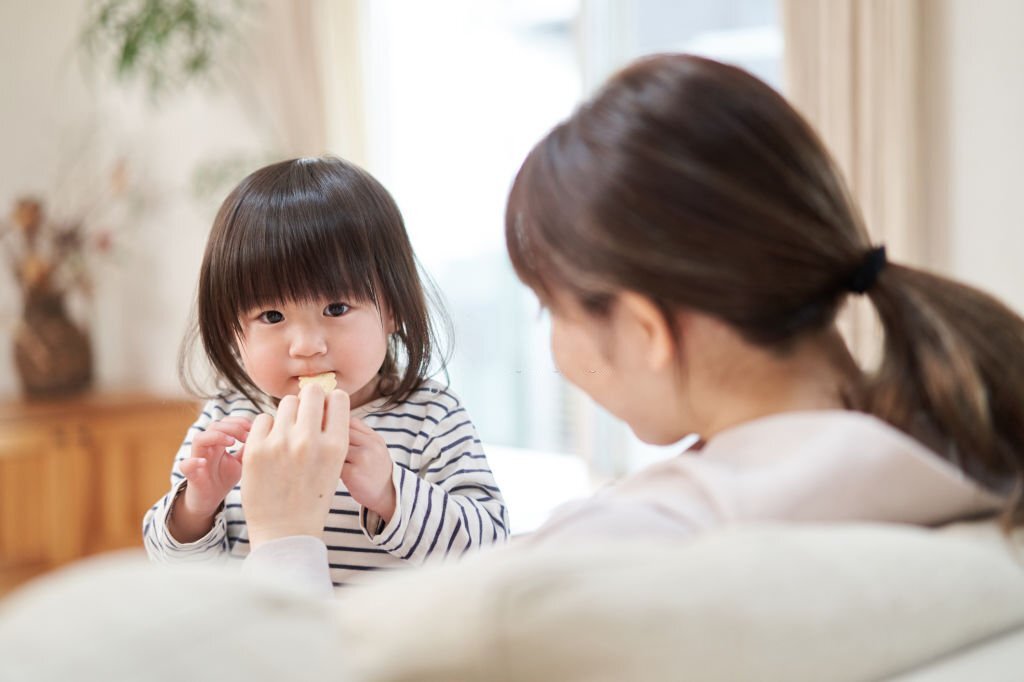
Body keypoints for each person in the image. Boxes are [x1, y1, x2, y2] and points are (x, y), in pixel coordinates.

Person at [235, 53, 1023, 588]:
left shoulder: (620, 554)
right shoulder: (970, 456)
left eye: (551, 307)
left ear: (645, 329)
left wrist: (283, 537)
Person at [142, 156, 509, 588]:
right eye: (272, 316)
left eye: (336, 308)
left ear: (391, 310)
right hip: (269, 643)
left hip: (389, 648)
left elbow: (491, 553)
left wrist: (391, 493)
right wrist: (197, 508)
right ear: (233, 328)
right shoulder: (227, 420)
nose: (306, 346)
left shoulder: (430, 416)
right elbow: (173, 574)